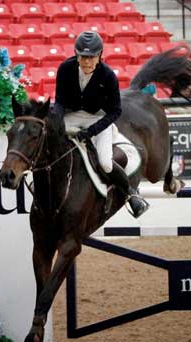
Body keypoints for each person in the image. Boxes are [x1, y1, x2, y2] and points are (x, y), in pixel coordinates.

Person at [53, 31, 149, 218]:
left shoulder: (107, 75)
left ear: (100, 55)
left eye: (91, 57)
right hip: (71, 116)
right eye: (83, 57)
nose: (87, 62)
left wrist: (91, 132)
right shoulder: (65, 69)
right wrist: (56, 120)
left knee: (105, 163)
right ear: (76, 54)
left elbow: (115, 111)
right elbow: (59, 101)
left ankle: (131, 194)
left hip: (96, 119)